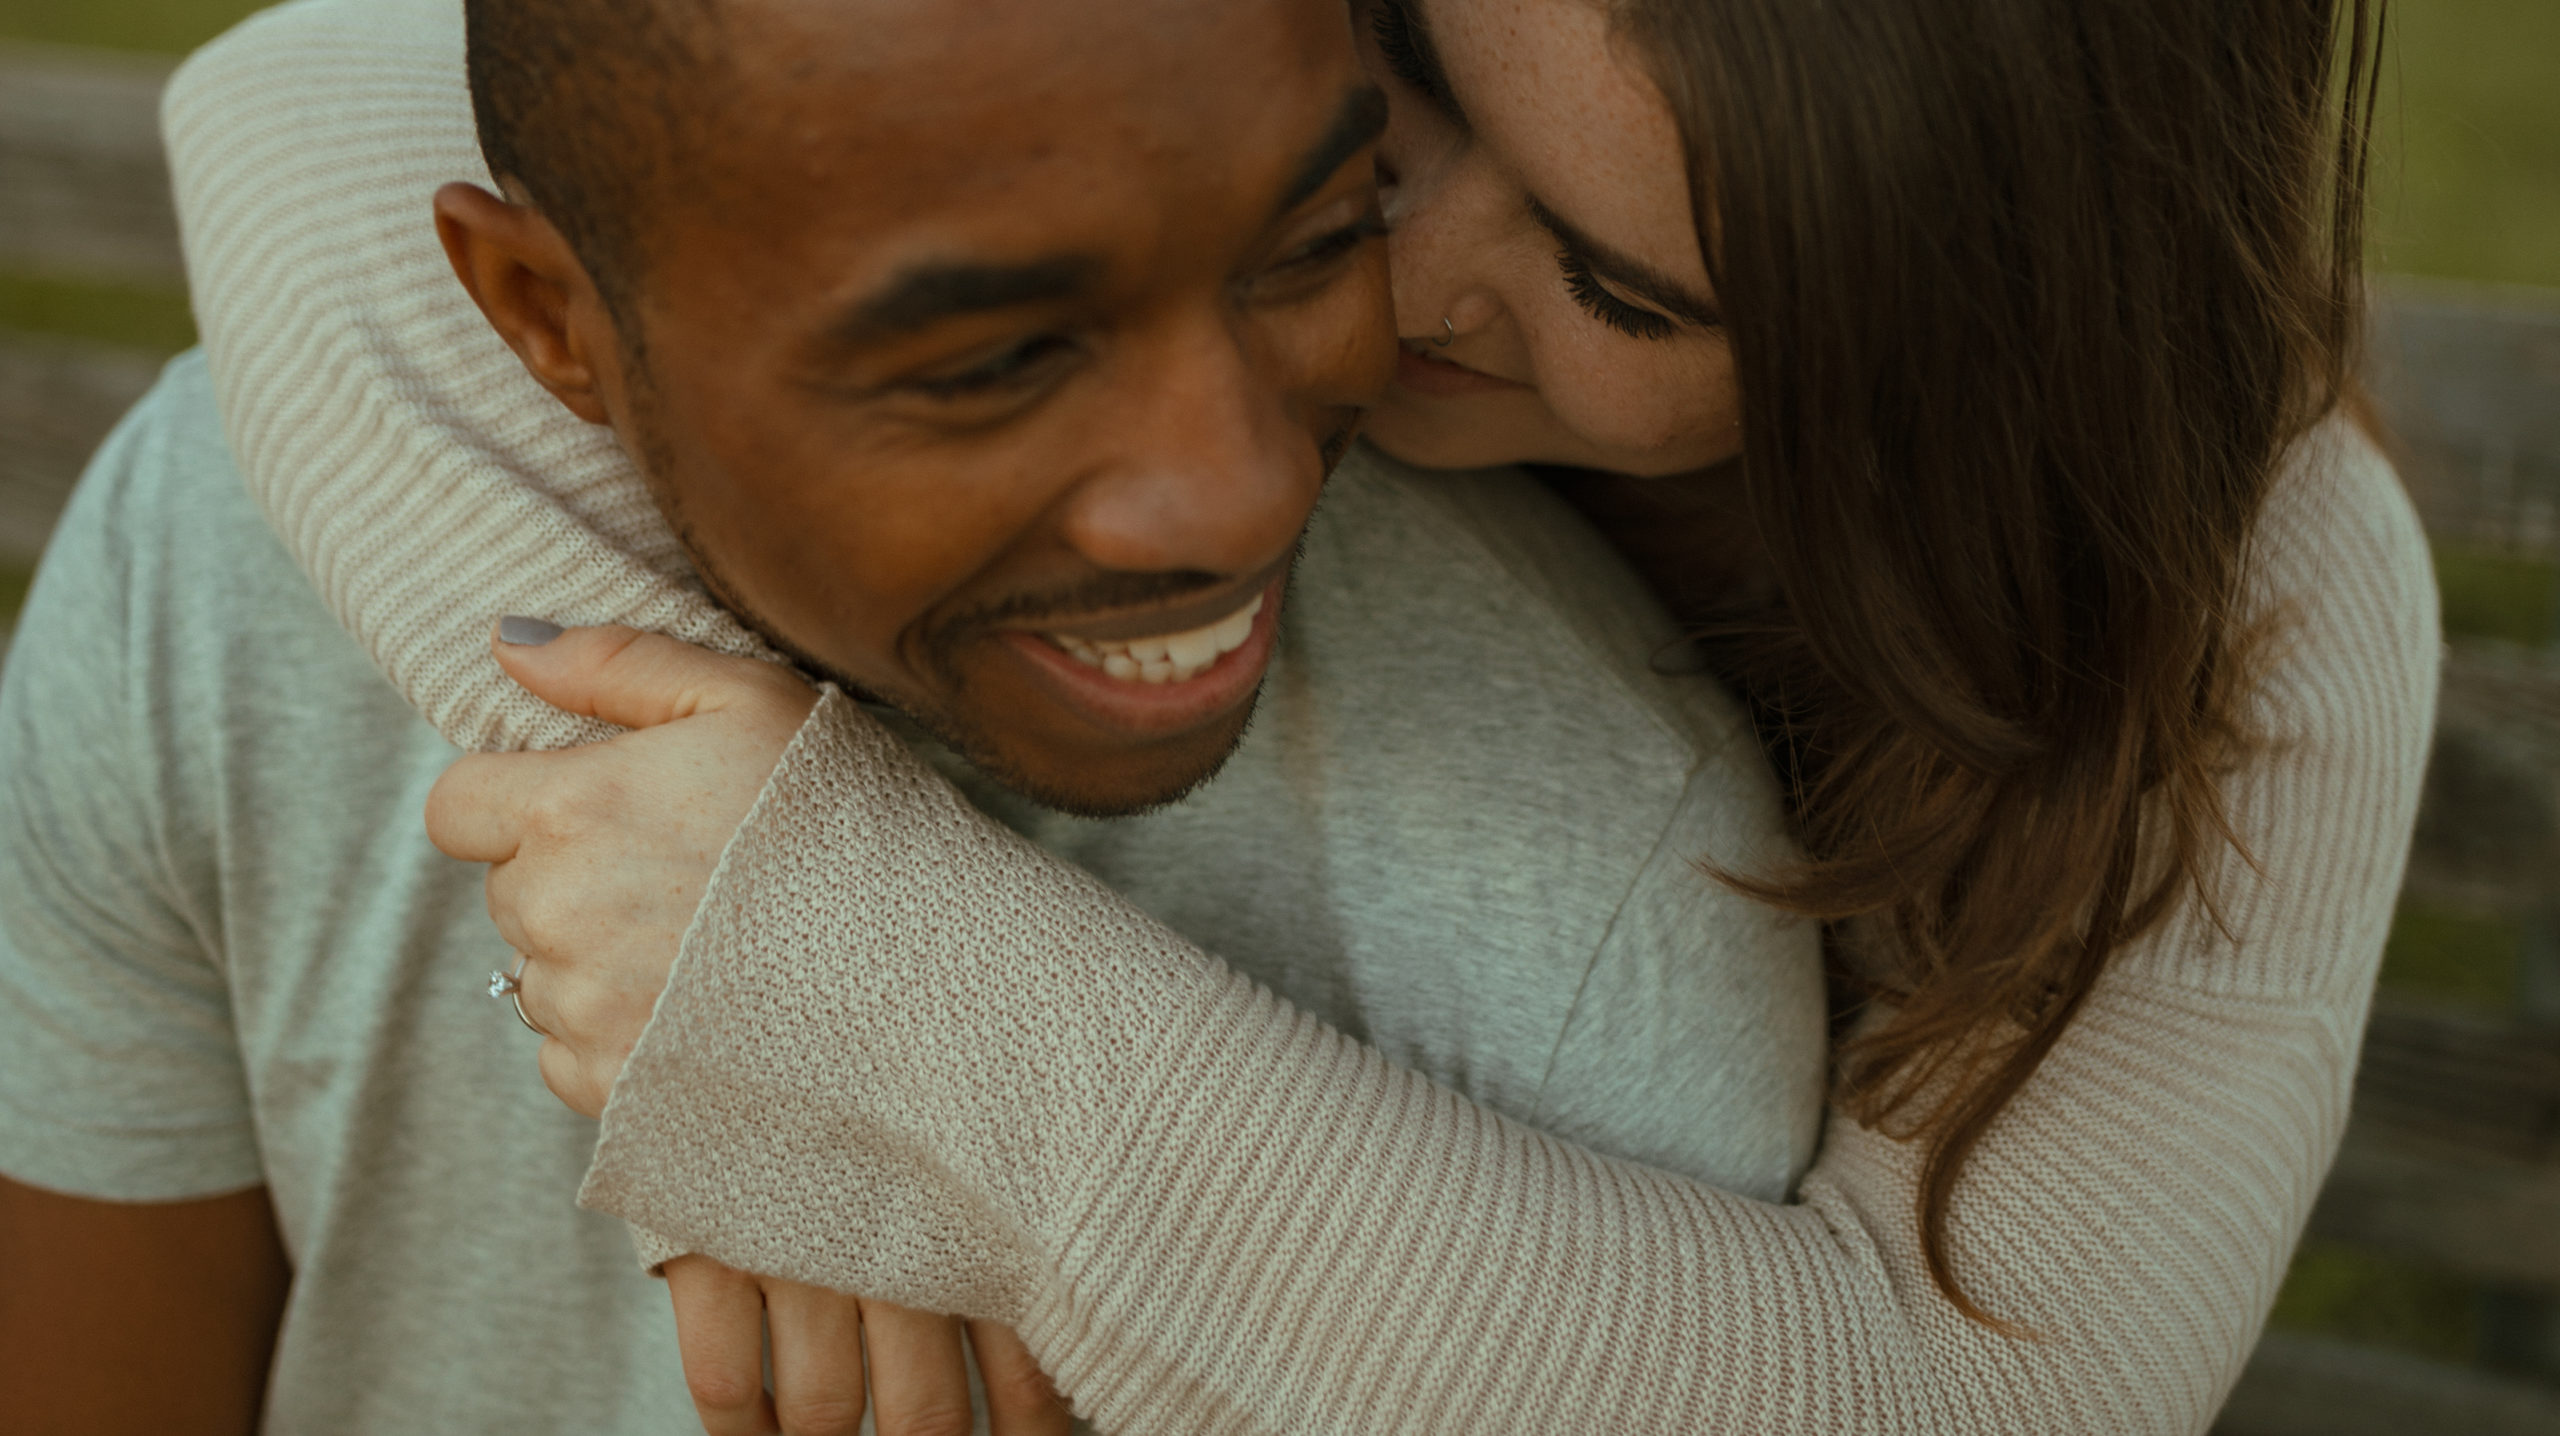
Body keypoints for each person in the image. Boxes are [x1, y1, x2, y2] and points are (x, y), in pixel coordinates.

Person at [167, 0, 2438, 1430]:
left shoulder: (2256, 598)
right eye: (1412, 95)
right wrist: (721, 1023)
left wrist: (833, 999)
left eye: (1617, 282)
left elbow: (1943, 1401)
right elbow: (284, 114)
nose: (1396, 259)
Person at [0, 1, 1831, 1434]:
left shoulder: (1611, 885)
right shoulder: (220, 572)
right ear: (544, 318)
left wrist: (869, 1042)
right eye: (994, 361)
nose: (1239, 491)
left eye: (1311, 240)